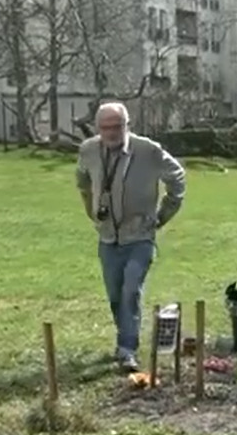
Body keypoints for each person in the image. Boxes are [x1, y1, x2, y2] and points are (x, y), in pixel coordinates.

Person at [75, 102, 187, 372]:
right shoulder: (89, 150)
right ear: (97, 128)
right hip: (108, 238)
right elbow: (82, 179)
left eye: (117, 127)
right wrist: (91, 208)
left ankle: (128, 349)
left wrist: (163, 215)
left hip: (140, 236)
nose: (111, 133)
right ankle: (123, 339)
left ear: (127, 125)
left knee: (130, 291)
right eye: (105, 128)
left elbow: (177, 177)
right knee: (115, 294)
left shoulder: (148, 151)